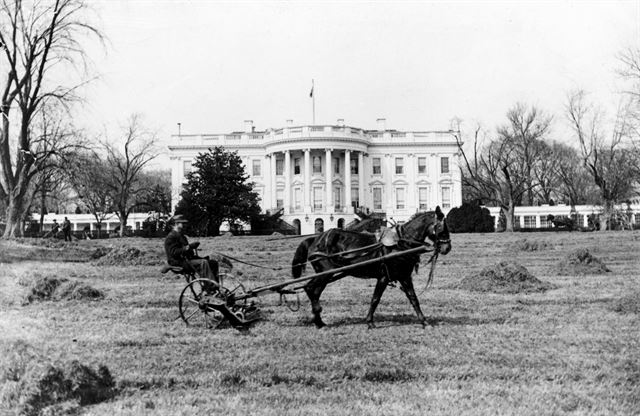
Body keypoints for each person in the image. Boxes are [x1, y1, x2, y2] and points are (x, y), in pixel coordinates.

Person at [164, 215, 219, 284]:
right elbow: (174, 252)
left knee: (213, 263)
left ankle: (217, 288)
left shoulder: (182, 236)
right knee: (203, 262)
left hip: (186, 260)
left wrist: (193, 247)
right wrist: (189, 247)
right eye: (182, 223)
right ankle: (210, 288)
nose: (184, 225)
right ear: (176, 224)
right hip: (178, 262)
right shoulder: (171, 237)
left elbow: (187, 251)